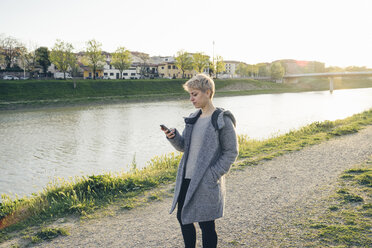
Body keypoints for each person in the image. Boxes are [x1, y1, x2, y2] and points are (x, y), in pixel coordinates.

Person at [161, 74, 238, 248]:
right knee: (183, 218)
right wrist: (173, 137)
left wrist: (213, 174)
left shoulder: (222, 119)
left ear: (208, 92)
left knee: (206, 225)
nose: (191, 99)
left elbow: (231, 152)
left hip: (206, 180)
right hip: (186, 179)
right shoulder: (193, 118)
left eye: (194, 94)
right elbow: (184, 147)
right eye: (190, 94)